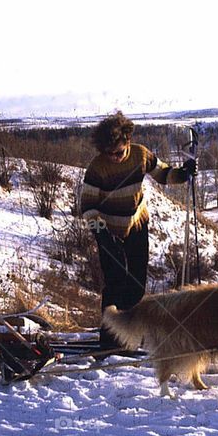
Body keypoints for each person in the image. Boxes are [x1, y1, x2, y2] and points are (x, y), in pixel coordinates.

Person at [80, 111, 196, 349]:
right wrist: (101, 233)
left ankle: (130, 334)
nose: (114, 158)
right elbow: (88, 206)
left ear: (128, 141)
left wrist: (183, 174)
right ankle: (110, 339)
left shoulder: (140, 154)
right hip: (107, 229)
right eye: (109, 153)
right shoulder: (97, 167)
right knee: (115, 283)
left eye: (118, 152)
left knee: (136, 285)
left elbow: (163, 173)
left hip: (137, 224)